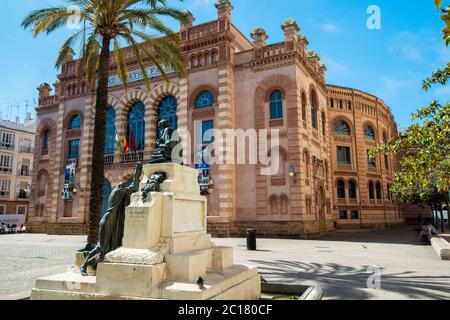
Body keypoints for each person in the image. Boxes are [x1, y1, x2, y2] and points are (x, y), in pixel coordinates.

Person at [80, 162, 143, 276]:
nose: (125, 186)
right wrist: (138, 171)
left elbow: (132, 188)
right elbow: (134, 187)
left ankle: (95, 264)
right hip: (107, 222)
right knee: (101, 247)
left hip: (112, 222)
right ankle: (84, 265)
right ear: (121, 186)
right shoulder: (118, 192)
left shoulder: (118, 191)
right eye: (124, 184)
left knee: (105, 248)